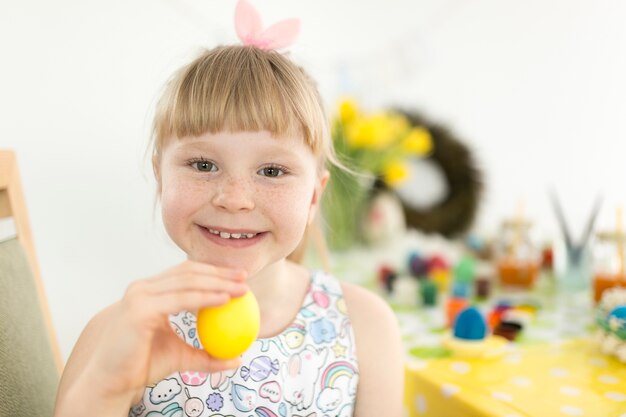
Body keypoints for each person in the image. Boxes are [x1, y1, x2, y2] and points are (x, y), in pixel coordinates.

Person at [53, 27, 404, 417]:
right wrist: (107, 385)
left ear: (313, 197)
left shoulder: (364, 326)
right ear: (160, 178)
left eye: (272, 170)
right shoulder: (117, 334)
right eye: (203, 165)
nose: (234, 199)